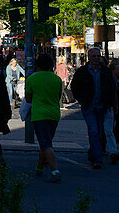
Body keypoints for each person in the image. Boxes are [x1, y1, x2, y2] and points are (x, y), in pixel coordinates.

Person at [70, 46, 116, 169]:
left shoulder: (105, 72)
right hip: (89, 106)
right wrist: (81, 99)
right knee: (94, 131)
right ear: (89, 58)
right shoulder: (83, 71)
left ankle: (93, 154)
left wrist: (112, 104)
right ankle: (97, 159)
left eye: (98, 56)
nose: (96, 58)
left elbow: (112, 88)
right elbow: (74, 87)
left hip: (102, 106)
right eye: (93, 56)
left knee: (99, 132)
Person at [25, 52, 62, 182]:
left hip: (39, 114)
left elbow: (28, 99)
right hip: (54, 114)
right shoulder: (56, 79)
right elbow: (58, 97)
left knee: (45, 144)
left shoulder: (31, 79)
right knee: (45, 141)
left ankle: (54, 170)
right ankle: (40, 167)